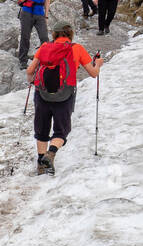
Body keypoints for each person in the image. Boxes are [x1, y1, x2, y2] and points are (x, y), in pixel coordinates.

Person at [26, 23, 103, 175]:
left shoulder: (44, 47)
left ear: (54, 34)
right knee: (62, 130)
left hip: (42, 94)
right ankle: (51, 153)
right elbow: (93, 73)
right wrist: (98, 64)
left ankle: (41, 163)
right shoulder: (77, 48)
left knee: (41, 128)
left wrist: (32, 82)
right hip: (65, 94)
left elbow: (30, 71)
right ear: (70, 34)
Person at [16, 0, 54, 69]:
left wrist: (46, 16)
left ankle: (45, 59)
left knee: (44, 37)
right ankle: (22, 60)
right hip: (27, 12)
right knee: (25, 36)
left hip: (40, 13)